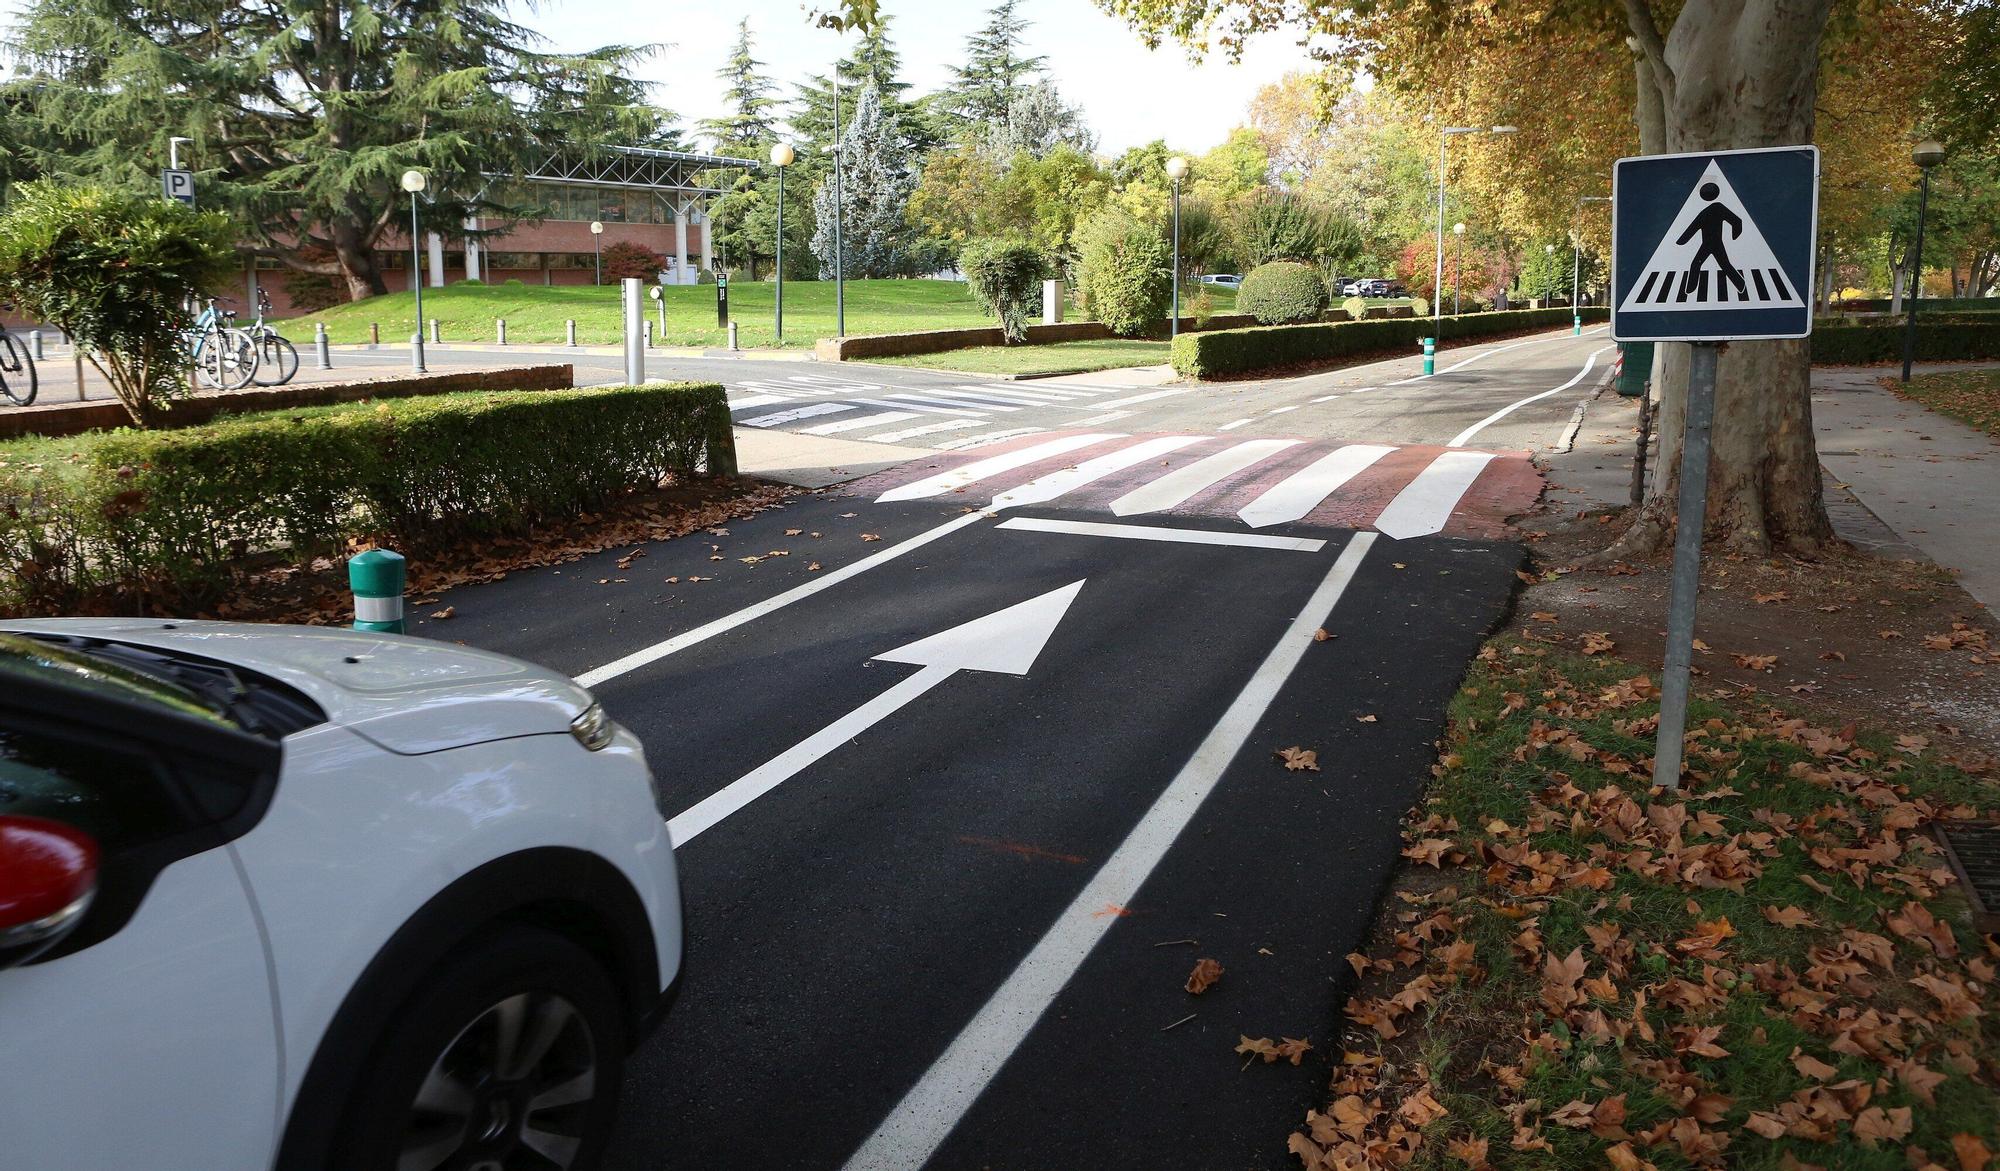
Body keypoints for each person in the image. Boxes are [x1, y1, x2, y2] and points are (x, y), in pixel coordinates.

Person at [1675, 182, 1749, 300]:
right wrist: (1735, 234)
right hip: (1714, 243)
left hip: (1710, 244)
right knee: (1724, 265)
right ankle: (1740, 284)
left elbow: (1692, 228)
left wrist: (1681, 241)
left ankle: (1690, 289)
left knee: (1697, 264)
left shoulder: (1712, 210)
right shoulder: (1716, 208)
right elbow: (1736, 221)